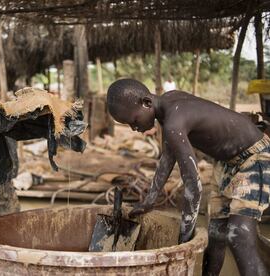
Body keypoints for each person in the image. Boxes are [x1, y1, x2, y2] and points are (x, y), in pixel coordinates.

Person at [106, 79, 269, 276]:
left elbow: (194, 186)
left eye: (133, 121)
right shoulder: (168, 105)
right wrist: (149, 200)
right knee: (216, 235)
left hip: (254, 157)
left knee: (239, 234)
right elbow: (167, 158)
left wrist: (184, 241)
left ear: (147, 103)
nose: (133, 128)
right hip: (226, 163)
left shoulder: (173, 122)